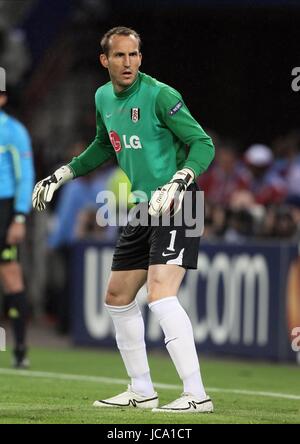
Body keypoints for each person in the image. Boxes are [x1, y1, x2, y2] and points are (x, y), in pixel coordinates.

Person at [32, 26, 215, 413]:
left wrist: (182, 179)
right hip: (142, 206)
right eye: (120, 56)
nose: (128, 62)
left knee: (161, 293)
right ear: (105, 61)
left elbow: (203, 143)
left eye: (134, 55)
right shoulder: (102, 97)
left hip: (180, 200)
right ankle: (141, 389)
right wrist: (63, 173)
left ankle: (196, 395)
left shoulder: (161, 95)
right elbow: (104, 145)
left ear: (140, 58)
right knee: (117, 297)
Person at [0, 90, 34, 368]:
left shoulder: (13, 132)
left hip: (4, 208)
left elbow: (26, 175)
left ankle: (20, 349)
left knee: (11, 278)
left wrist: (20, 216)